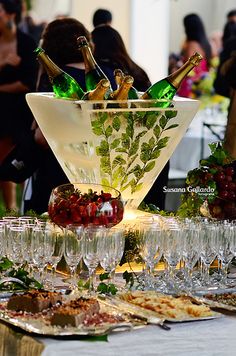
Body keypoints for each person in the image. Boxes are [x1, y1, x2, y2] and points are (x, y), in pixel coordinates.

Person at [92, 25, 169, 210]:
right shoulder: (136, 70)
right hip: (150, 143)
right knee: (150, 210)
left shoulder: (100, 75)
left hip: (118, 148)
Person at [0, 0, 37, 210]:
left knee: (21, 156)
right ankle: (10, 208)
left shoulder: (27, 43)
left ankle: (23, 206)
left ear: (11, 15)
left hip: (20, 109)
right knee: (2, 158)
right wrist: (4, 63)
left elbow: (27, 83)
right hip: (1, 110)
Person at [177, 13, 214, 98]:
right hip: (203, 84)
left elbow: (189, 67)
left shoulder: (191, 44)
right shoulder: (206, 44)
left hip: (190, 85)